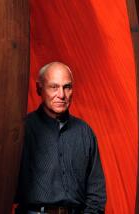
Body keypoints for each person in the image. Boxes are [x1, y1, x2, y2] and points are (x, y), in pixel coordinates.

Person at [14, 62, 106, 214]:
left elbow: (96, 189)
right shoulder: (22, 130)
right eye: (54, 87)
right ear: (39, 89)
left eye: (67, 87)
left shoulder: (85, 132)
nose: (61, 95)